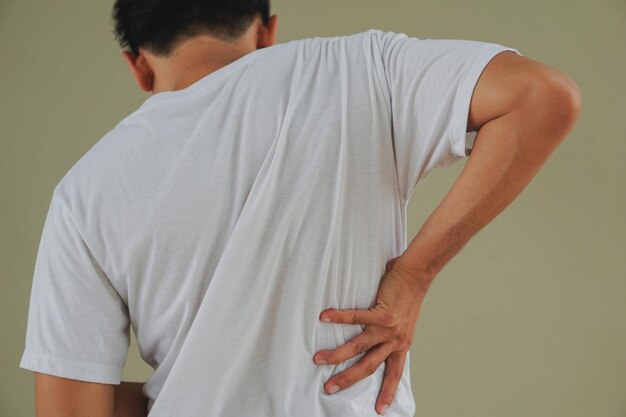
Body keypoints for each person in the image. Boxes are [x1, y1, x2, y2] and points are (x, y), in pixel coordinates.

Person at [18, 0, 582, 416]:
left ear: (137, 65)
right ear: (266, 32)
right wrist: (413, 276)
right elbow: (542, 96)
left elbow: (70, 411)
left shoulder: (84, 192)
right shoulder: (359, 69)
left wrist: (193, 389)